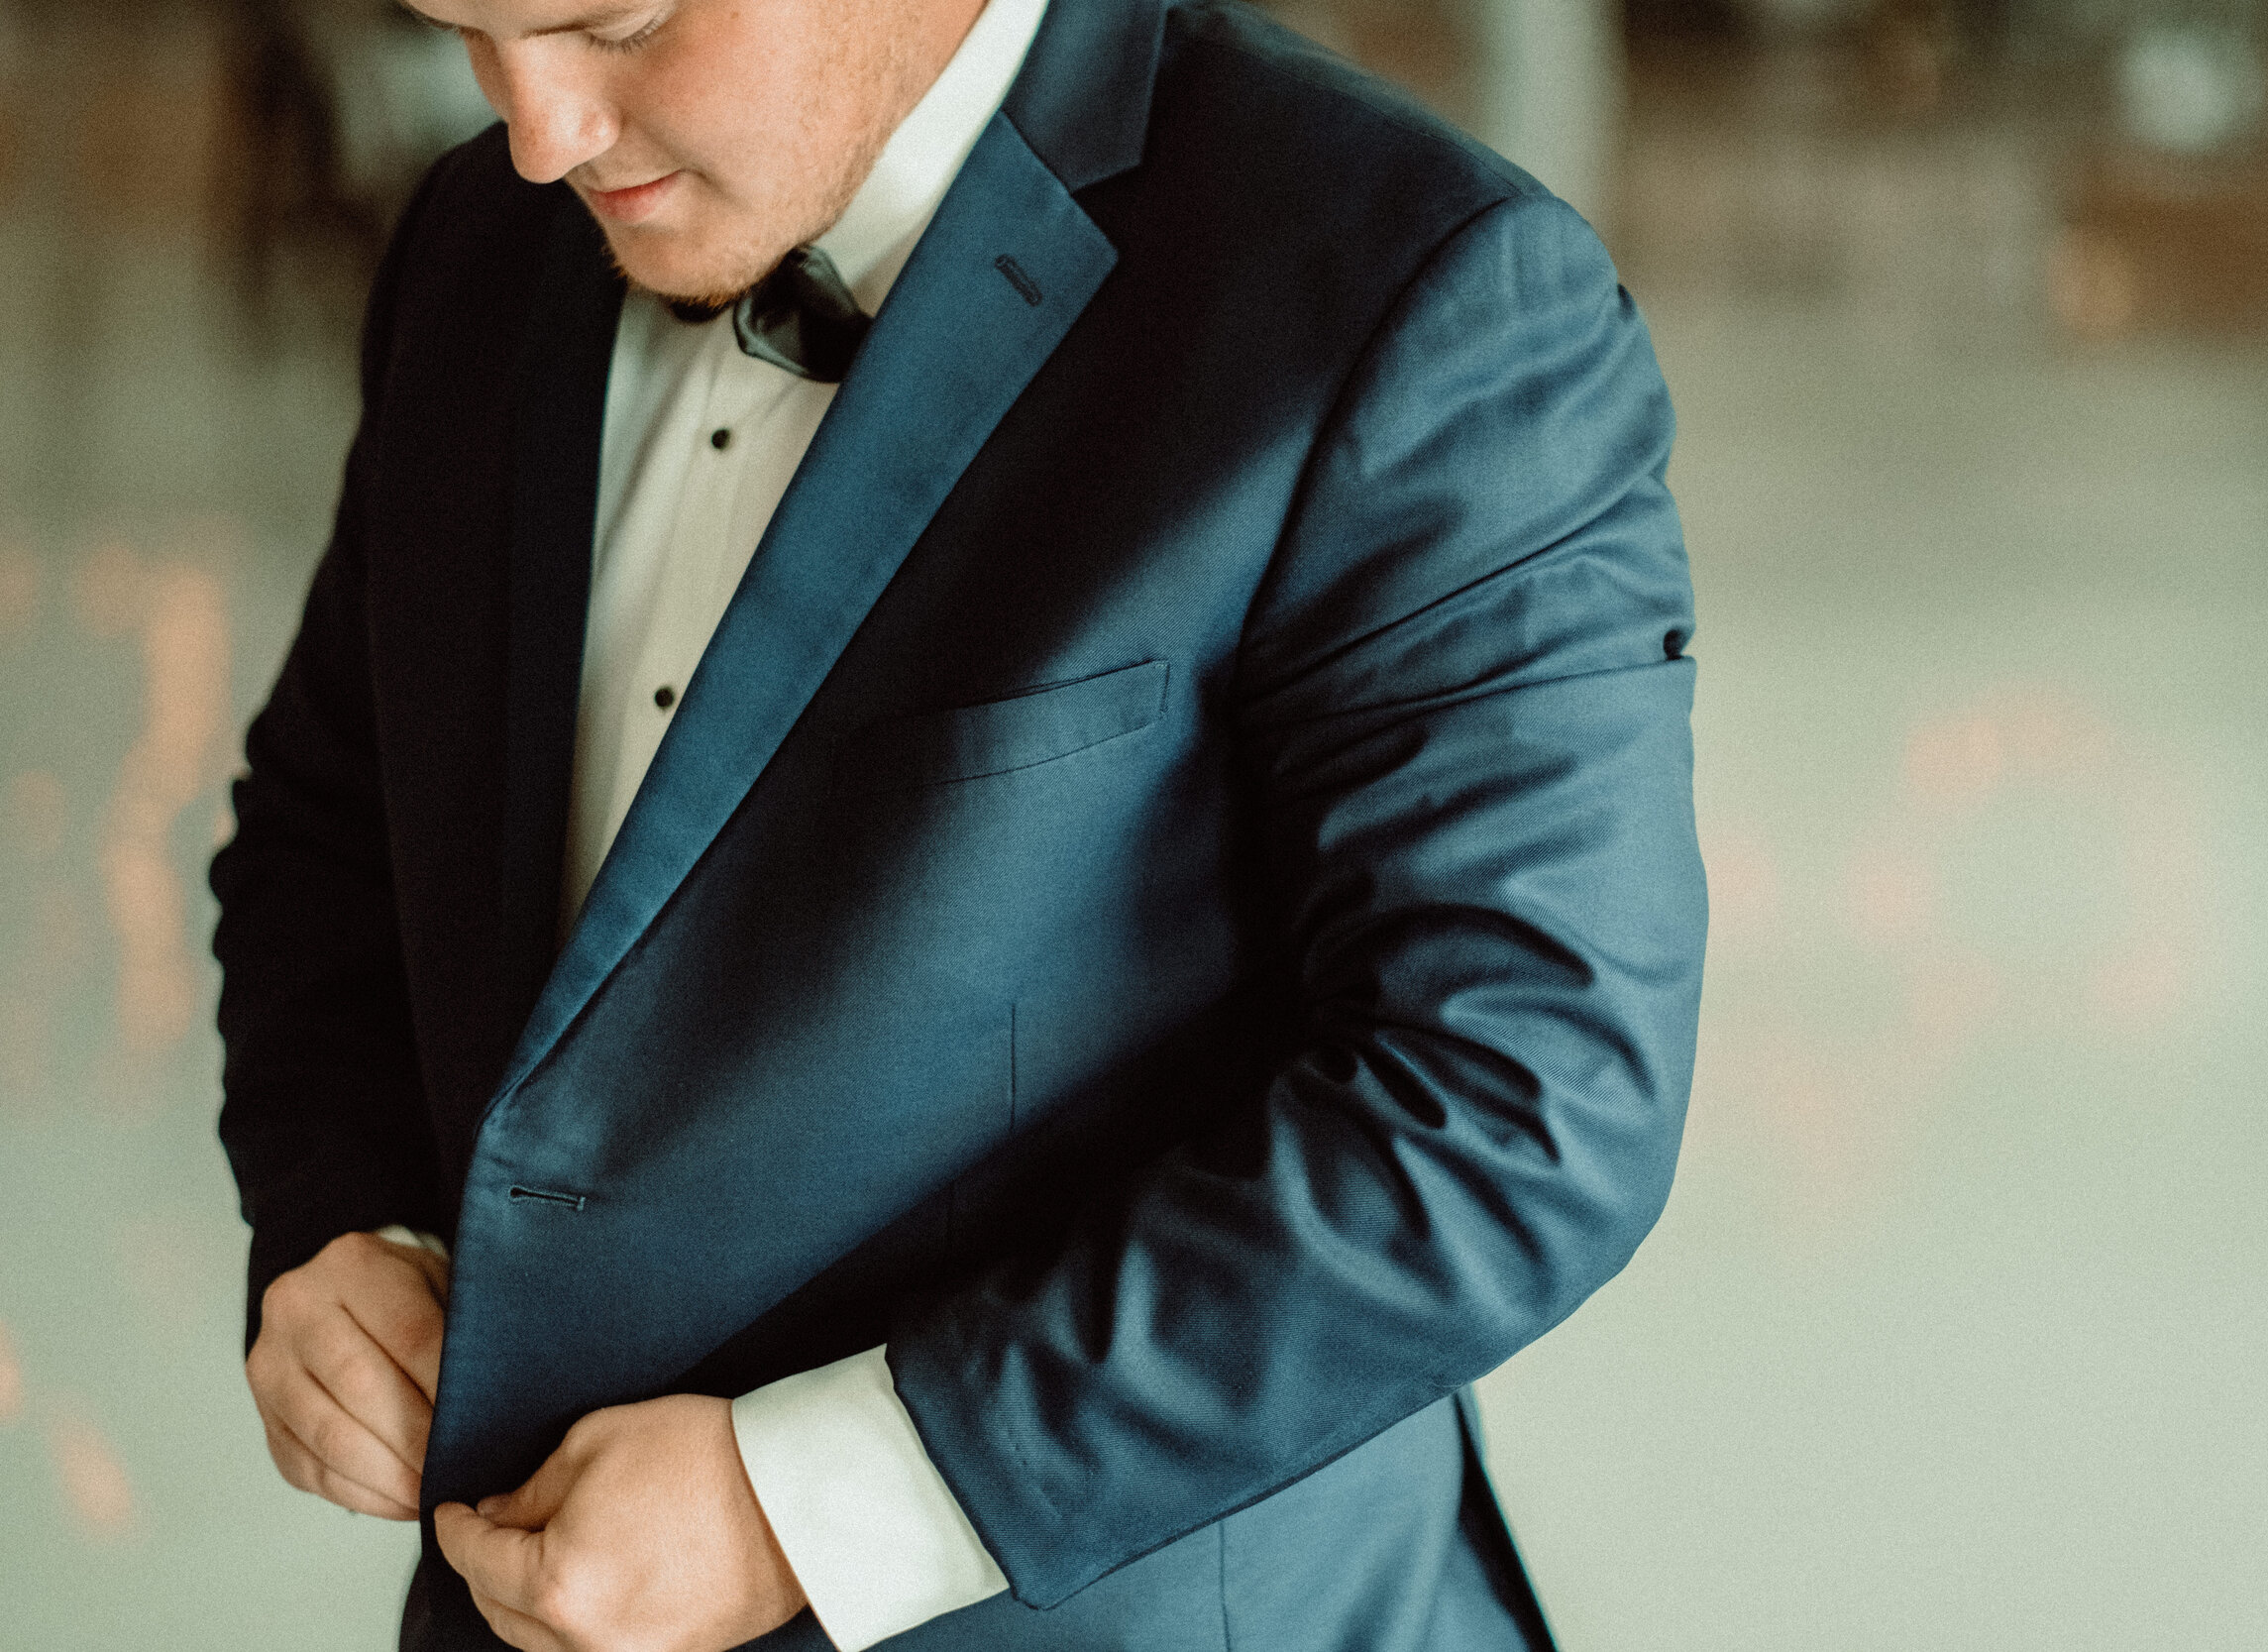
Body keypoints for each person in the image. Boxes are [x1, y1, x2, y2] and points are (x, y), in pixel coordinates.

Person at [207, 0, 1706, 1645]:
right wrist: (338, 1213)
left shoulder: (1413, 295)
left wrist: (821, 1505)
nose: (538, 131)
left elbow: (1514, 1103)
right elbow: (327, 828)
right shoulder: (480, 244)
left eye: (611, 24)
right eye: (469, 28)